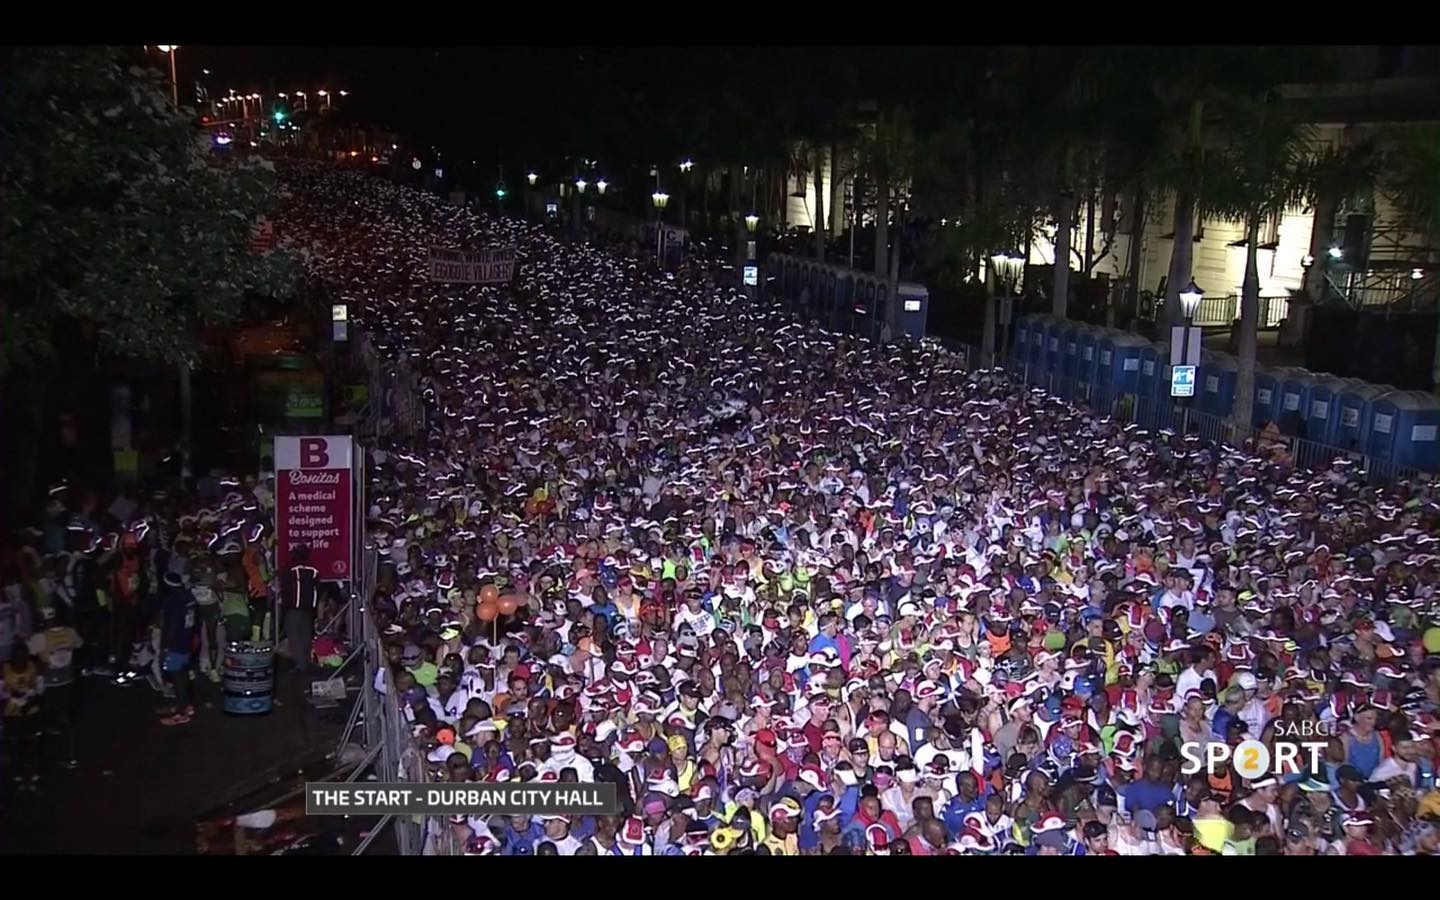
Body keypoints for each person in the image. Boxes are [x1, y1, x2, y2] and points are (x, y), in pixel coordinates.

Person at [28, 605, 82, 769]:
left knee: (46, 717)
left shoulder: (41, 637)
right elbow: (79, 644)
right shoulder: (69, 632)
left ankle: (47, 755)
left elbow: (29, 651)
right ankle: (71, 755)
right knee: (67, 718)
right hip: (67, 680)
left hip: (48, 683)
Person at [157, 571, 198, 726]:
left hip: (175, 643)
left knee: (177, 676)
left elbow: (172, 625)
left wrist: (165, 647)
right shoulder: (189, 597)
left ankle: (182, 712)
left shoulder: (173, 601)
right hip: (186, 640)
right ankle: (186, 705)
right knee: (183, 674)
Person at [4, 639, 45, 790]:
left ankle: (34, 774)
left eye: (23, 655)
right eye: (17, 656)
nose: (20, 659)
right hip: (11, 713)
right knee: (14, 743)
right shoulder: (4, 669)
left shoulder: (34, 667)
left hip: (30, 711)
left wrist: (30, 702)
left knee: (32, 741)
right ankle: (17, 774)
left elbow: (40, 690)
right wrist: (11, 698)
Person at [280, 544, 319, 673]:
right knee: (306, 635)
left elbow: (285, 588)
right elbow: (318, 587)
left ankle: (299, 664)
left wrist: (285, 605)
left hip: (293, 607)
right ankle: (306, 662)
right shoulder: (313, 569)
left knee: (294, 635)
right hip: (308, 608)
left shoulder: (290, 569)